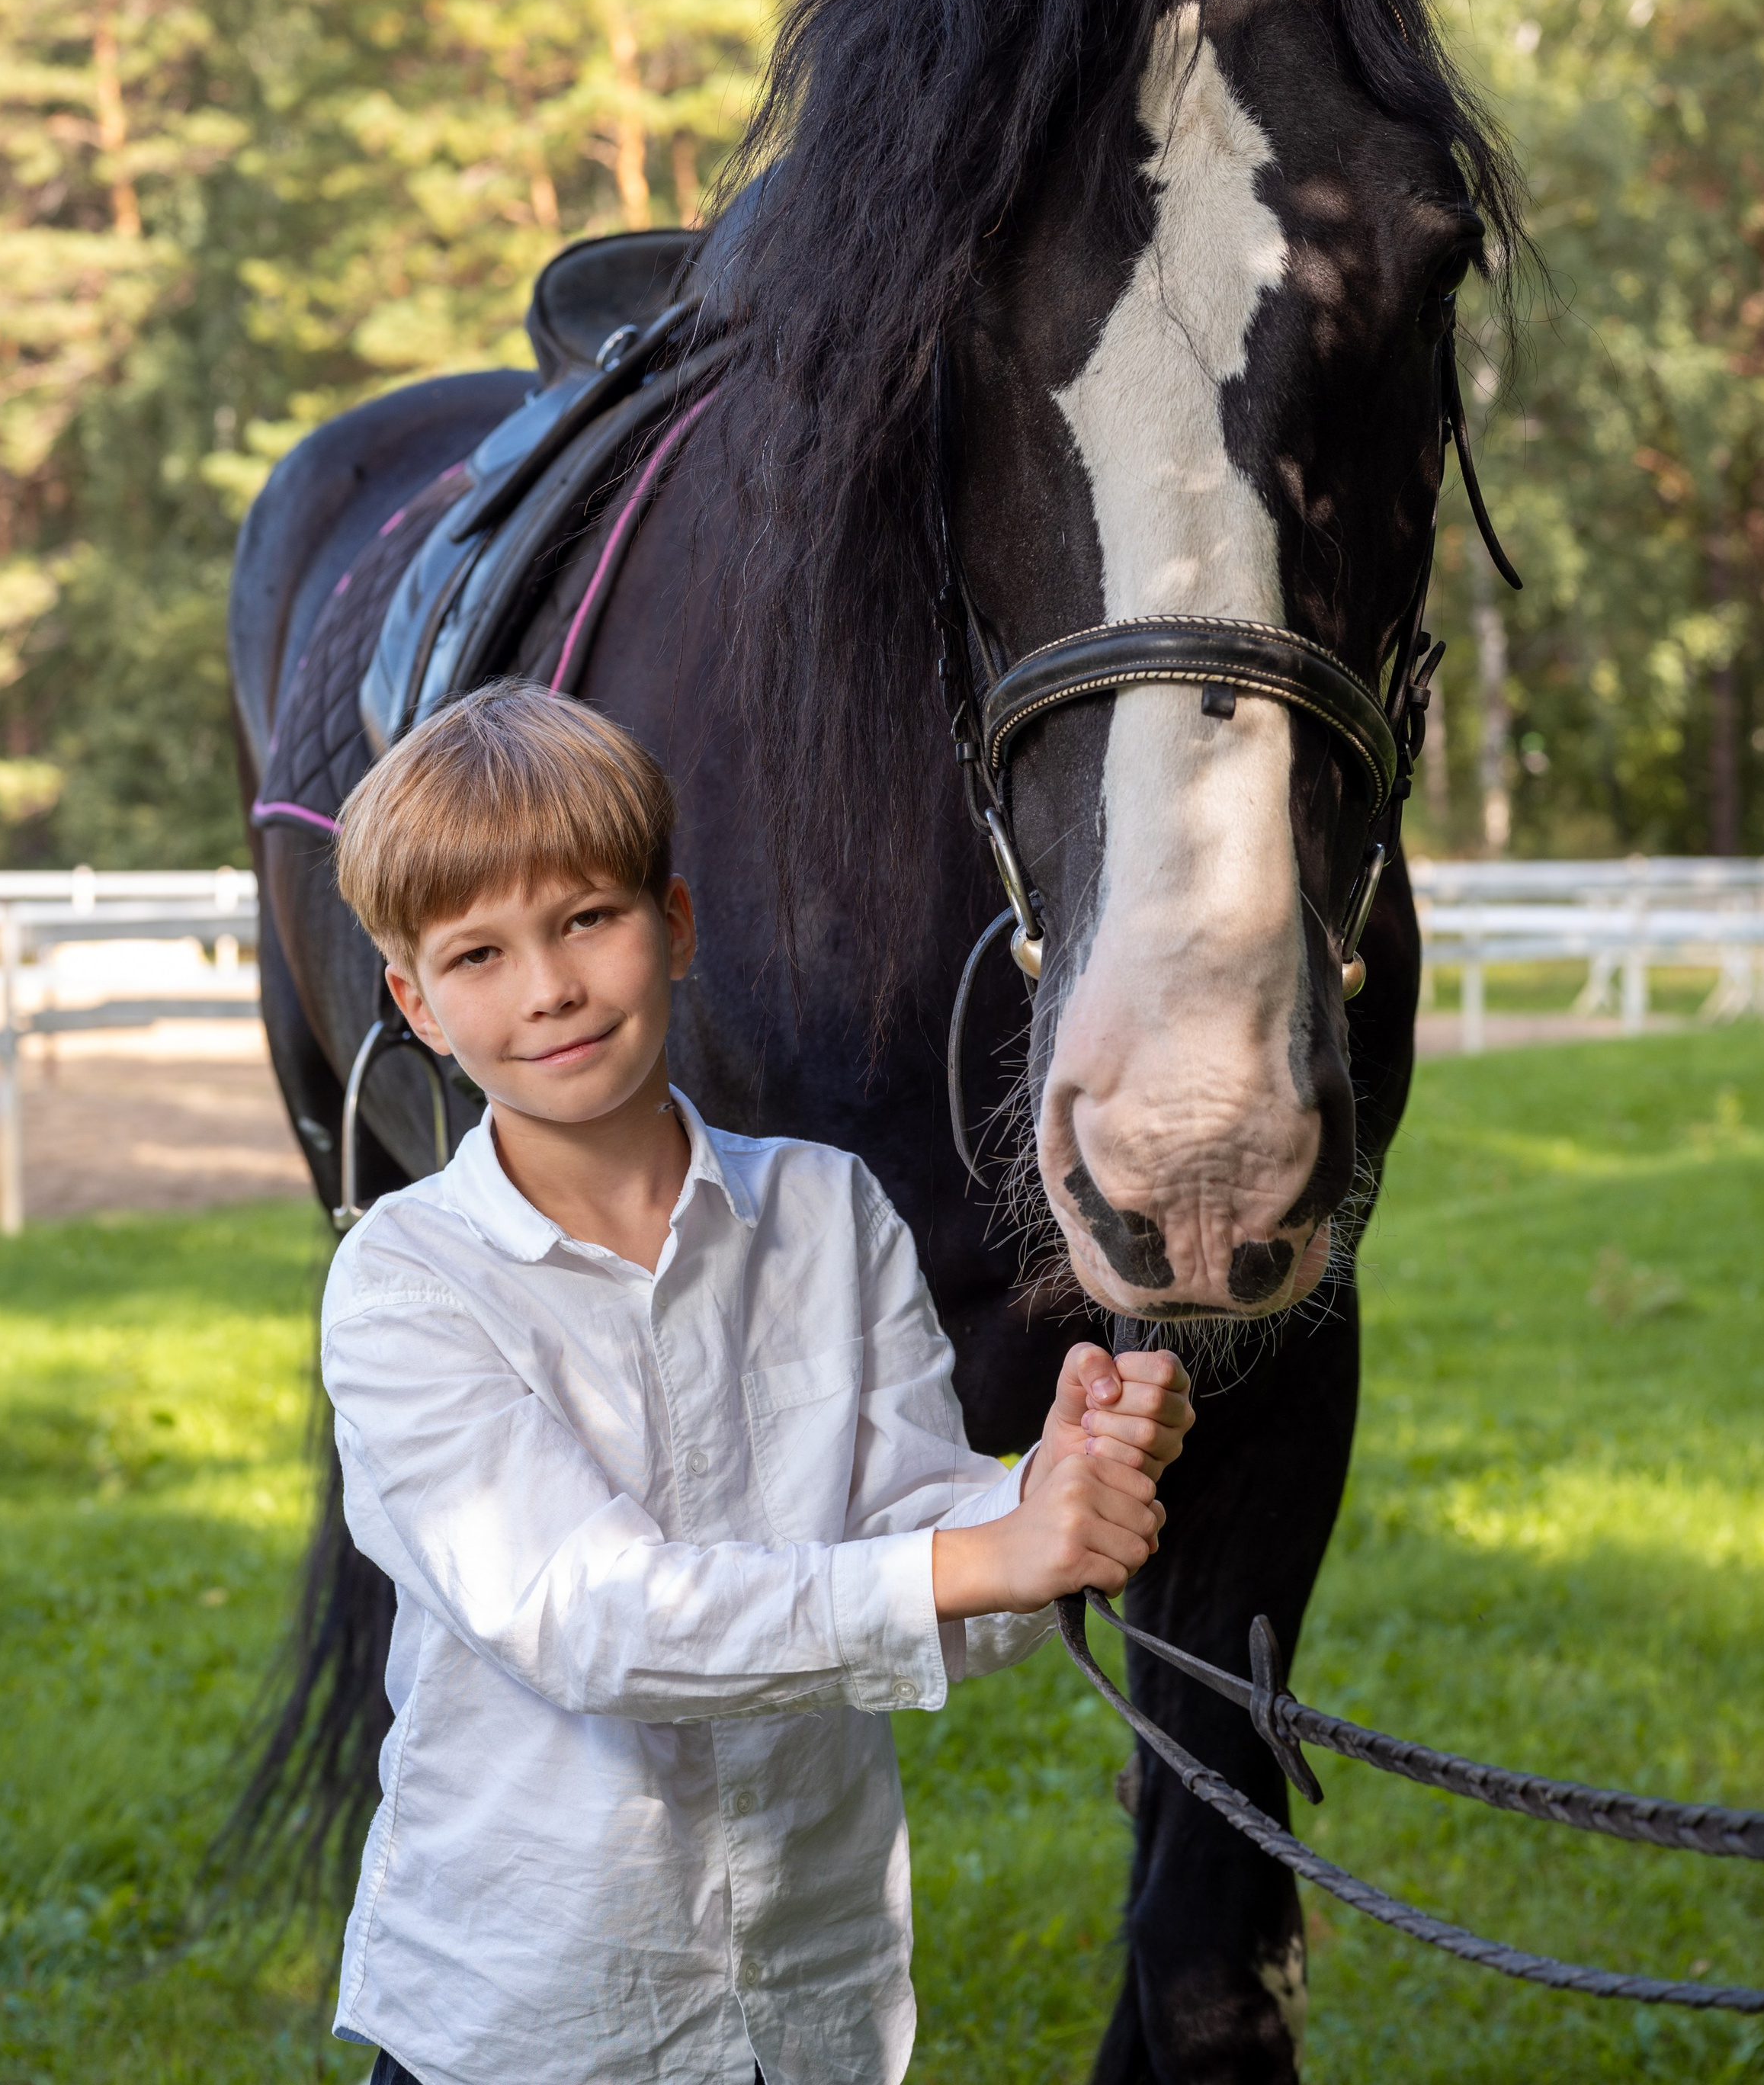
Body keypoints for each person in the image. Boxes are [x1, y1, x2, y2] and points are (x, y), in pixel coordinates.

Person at [323, 680, 1194, 2085]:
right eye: (478, 954)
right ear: (416, 1001)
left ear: (671, 925)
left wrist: (1051, 1494)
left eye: (585, 920)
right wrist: (983, 1556)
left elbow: (922, 1562)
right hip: (535, 2016)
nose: (546, 987)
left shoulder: (830, 1212)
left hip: (807, 1996)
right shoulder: (411, 1284)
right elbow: (592, 1622)